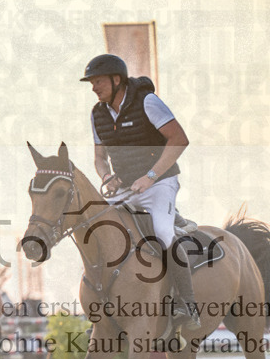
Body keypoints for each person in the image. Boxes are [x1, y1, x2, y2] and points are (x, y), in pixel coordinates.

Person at [82, 53, 201, 331]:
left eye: (98, 81)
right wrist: (107, 176)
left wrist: (151, 176)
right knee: (96, 227)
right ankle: (100, 306)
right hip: (126, 188)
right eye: (91, 82)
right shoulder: (97, 113)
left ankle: (188, 304)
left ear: (116, 79)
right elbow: (99, 159)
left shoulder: (147, 102)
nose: (93, 87)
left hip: (160, 183)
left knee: (162, 233)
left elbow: (179, 139)